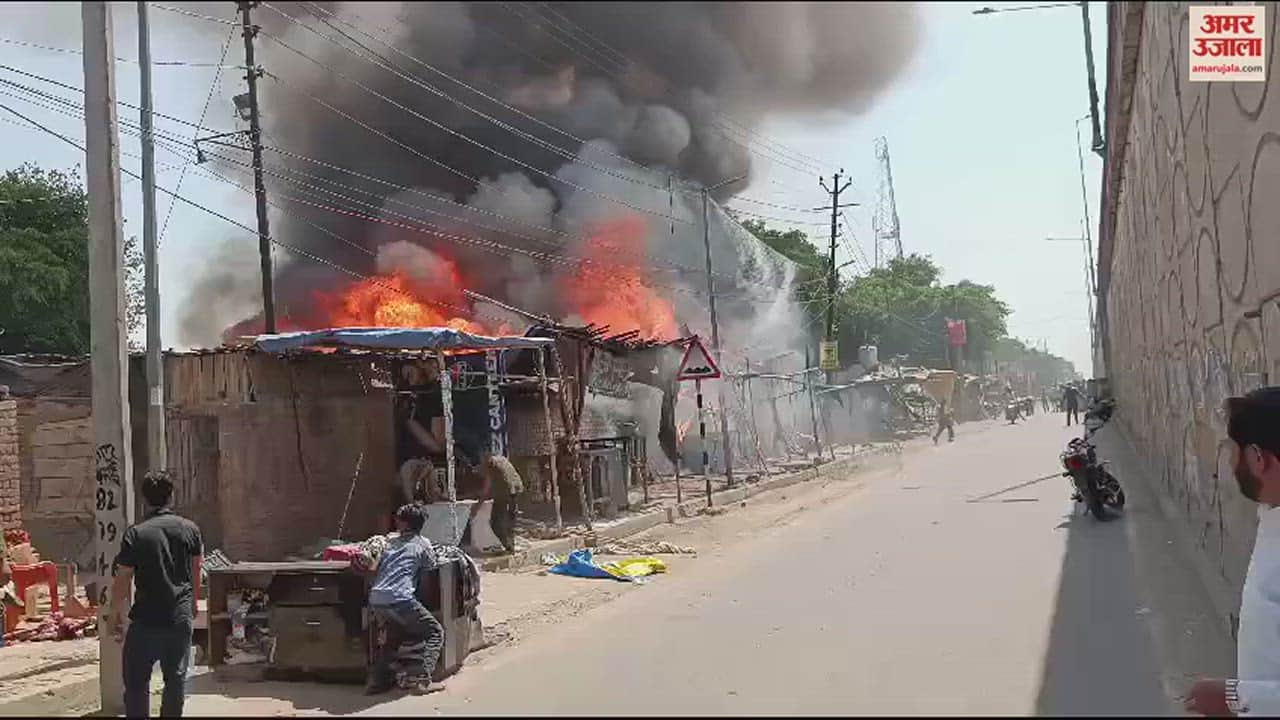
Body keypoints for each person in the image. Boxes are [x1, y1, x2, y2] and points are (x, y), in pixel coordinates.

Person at [1186, 388, 1280, 716]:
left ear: (1258, 458)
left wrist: (1235, 699)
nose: (1229, 461)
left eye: (1232, 451)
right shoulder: (1272, 516)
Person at [109, 471, 203, 719]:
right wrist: (193, 602)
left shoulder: (136, 534)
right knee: (175, 680)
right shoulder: (190, 529)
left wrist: (113, 614)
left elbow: (123, 578)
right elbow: (196, 569)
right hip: (178, 617)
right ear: (171, 496)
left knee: (137, 684)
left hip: (146, 620)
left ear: (144, 500)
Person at [365, 503, 445, 696]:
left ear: (404, 523)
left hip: (376, 598)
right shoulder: (423, 544)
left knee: (393, 636)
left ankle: (377, 683)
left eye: (398, 518)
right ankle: (423, 681)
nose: (395, 521)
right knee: (435, 632)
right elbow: (429, 573)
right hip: (400, 598)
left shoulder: (389, 542)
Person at [478, 454, 524, 553]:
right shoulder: (502, 458)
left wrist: (477, 506)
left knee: (495, 523)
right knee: (510, 521)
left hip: (505, 492)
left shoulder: (490, 464)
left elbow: (486, 489)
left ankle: (508, 545)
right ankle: (511, 545)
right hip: (516, 488)